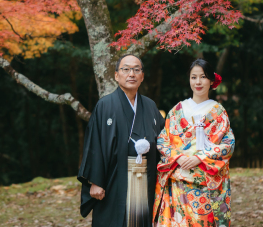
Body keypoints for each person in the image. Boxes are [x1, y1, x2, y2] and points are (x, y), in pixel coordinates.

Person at [78, 54, 166, 227]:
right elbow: (94, 143)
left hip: (146, 177)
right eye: (126, 69)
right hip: (114, 177)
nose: (131, 74)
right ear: (117, 75)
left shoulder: (150, 105)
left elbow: (163, 140)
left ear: (142, 76)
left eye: (136, 70)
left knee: (142, 219)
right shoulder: (105, 105)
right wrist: (96, 181)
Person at [153, 59, 235, 227]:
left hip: (205, 183)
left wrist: (200, 158)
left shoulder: (218, 112)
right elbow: (162, 140)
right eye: (194, 77)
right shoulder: (177, 110)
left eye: (203, 77)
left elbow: (228, 144)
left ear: (211, 80)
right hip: (177, 179)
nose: (198, 82)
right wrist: (178, 157)